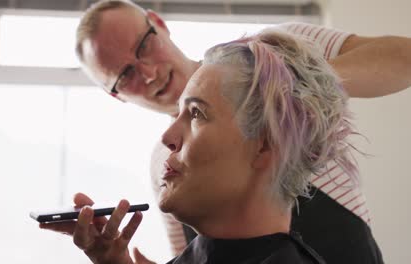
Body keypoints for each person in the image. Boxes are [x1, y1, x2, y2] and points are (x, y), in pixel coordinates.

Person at [42, 0, 411, 263]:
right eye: (125, 75)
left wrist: (284, 93)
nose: (149, 73)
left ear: (158, 22)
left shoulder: (276, 52)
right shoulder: (163, 166)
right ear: (116, 96)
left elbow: (404, 58)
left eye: (144, 45)